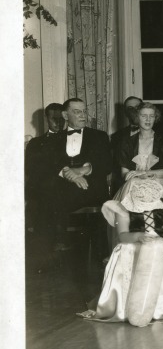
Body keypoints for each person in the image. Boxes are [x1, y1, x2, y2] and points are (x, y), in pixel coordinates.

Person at [79, 177, 163, 325]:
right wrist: (138, 236)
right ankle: (129, 308)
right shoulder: (124, 210)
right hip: (133, 247)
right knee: (134, 278)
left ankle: (161, 309)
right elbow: (122, 235)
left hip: (159, 249)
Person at [43, 97, 112, 249]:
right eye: (77, 112)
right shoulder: (53, 139)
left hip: (91, 188)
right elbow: (49, 165)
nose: (82, 115)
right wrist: (68, 173)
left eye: (84, 111)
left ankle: (97, 253)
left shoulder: (99, 136)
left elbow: (107, 165)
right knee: (48, 196)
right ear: (66, 116)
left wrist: (82, 170)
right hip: (64, 188)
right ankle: (58, 246)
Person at [114, 102, 163, 194]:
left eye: (151, 116)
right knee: (133, 186)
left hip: (158, 181)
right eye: (144, 116)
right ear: (137, 118)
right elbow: (124, 173)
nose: (148, 119)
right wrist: (135, 176)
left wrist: (144, 173)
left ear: (155, 118)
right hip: (134, 183)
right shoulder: (127, 142)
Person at [25, 101, 65, 233]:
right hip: (42, 188)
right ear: (46, 119)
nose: (58, 123)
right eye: (54, 119)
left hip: (64, 185)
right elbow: (29, 169)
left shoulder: (72, 140)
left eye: (61, 119)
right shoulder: (35, 143)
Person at [109, 96, 142, 193]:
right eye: (130, 108)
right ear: (125, 113)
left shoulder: (158, 135)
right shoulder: (117, 137)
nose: (134, 111)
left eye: (138, 107)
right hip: (125, 183)